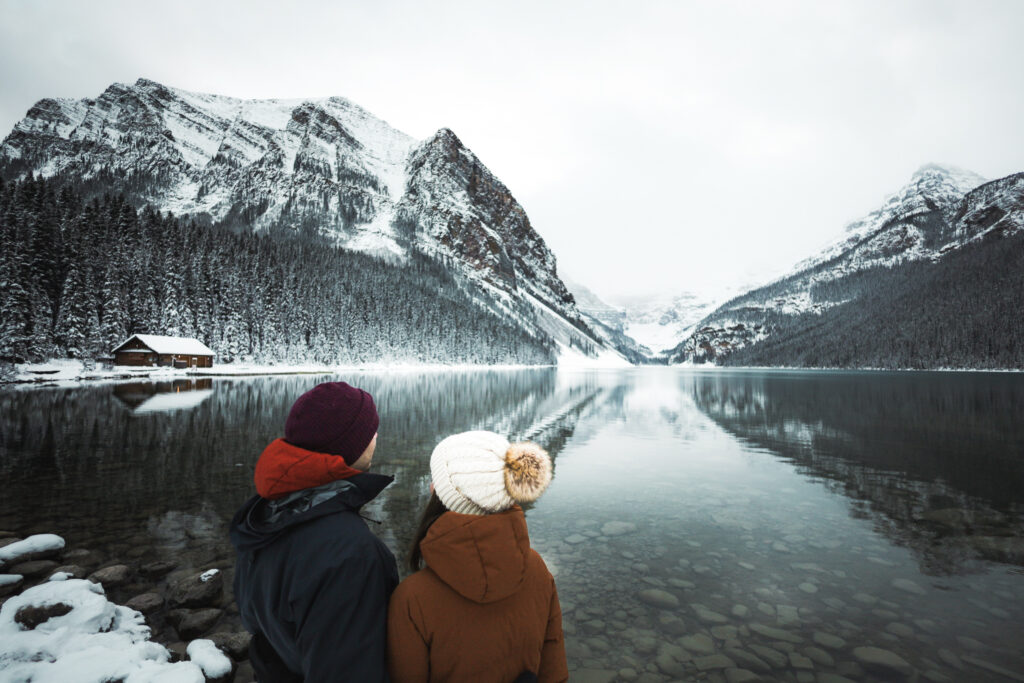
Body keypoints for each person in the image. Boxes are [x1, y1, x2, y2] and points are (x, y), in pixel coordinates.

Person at [230, 381, 397, 682]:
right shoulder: (351, 554)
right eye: (370, 431)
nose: (376, 437)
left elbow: (255, 620)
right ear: (349, 446)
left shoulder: (263, 512)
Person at [387, 431, 568, 683]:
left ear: (437, 494)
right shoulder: (537, 569)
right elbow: (554, 670)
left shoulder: (411, 598)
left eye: (435, 480)